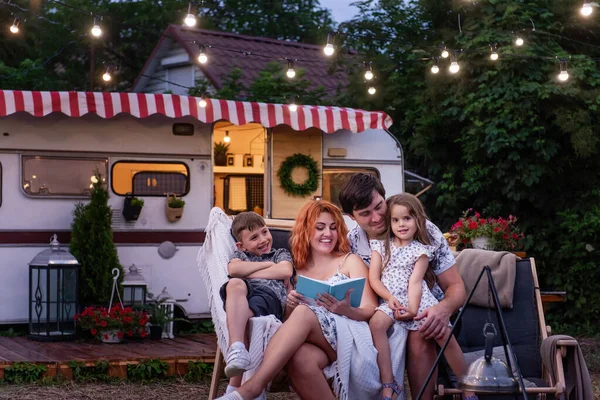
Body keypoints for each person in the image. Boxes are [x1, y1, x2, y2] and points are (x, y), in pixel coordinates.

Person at [217, 200, 380, 400]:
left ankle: (252, 388)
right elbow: (288, 322)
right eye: (319, 228)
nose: (327, 234)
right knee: (300, 358)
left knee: (305, 312)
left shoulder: (349, 261)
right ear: (306, 231)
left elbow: (371, 308)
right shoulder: (296, 270)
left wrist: (346, 309)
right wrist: (289, 306)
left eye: (333, 227)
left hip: (348, 334)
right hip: (315, 342)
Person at [340, 173, 467, 398]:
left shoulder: (422, 229)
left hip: (427, 308)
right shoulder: (351, 243)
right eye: (365, 214)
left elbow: (456, 287)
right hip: (380, 311)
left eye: (379, 206)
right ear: (351, 216)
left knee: (421, 332)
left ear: (384, 197)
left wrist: (442, 309)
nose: (378, 217)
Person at [369, 194, 476, 400]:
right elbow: (374, 279)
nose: (401, 224)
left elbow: (415, 282)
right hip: (391, 299)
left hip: (416, 298)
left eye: (407, 218)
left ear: (418, 220)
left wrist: (413, 309)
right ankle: (388, 382)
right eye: (395, 220)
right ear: (389, 222)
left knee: (443, 333)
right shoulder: (381, 246)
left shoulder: (421, 251)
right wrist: (389, 297)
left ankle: (468, 387)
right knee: (376, 324)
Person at [219, 211, 294, 394]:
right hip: (243, 295)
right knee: (235, 283)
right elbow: (234, 269)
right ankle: (237, 348)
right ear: (241, 245)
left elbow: (285, 271)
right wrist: (268, 266)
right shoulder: (241, 256)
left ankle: (233, 387)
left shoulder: (279, 253)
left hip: (270, 298)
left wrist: (249, 272)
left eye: (265, 232)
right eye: (254, 237)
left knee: (240, 317)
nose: (263, 239)